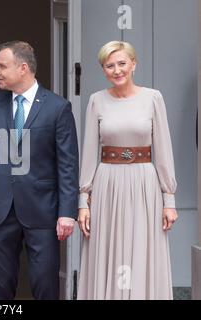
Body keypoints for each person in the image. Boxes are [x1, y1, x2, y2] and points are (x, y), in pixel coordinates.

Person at [0, 41, 79, 299]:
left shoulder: (57, 107)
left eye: (1, 66)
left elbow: (67, 164)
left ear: (23, 68)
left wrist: (67, 212)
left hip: (43, 211)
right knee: (0, 286)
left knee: (45, 285)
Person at [77, 41, 178, 300]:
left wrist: (169, 199)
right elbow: (89, 152)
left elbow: (163, 149)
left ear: (134, 64)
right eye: (109, 66)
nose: (116, 70)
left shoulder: (153, 98)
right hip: (107, 184)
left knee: (143, 250)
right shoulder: (96, 100)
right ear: (103, 70)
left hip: (144, 184)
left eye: (122, 63)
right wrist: (83, 201)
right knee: (108, 250)